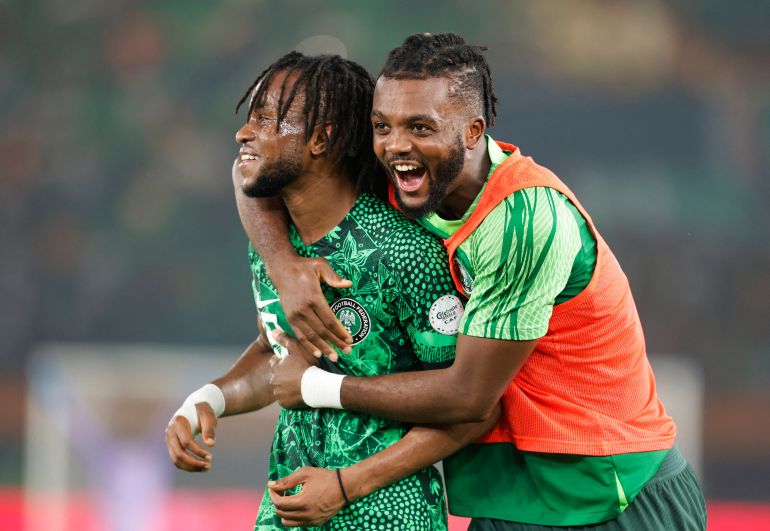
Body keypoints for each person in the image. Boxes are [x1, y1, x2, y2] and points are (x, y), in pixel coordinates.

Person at [244, 34, 708, 530]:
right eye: (383, 126)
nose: (397, 145)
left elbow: (468, 397)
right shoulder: (405, 174)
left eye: (420, 127)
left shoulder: (523, 221)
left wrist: (316, 386)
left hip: (612, 487)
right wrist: (282, 265)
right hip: (510, 494)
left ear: (472, 130)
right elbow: (254, 167)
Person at [165, 50, 498, 530]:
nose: (243, 132)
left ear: (321, 138)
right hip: (289, 509)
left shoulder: (405, 254)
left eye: (265, 119)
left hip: (384, 515)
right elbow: (277, 353)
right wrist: (208, 399)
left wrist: (346, 484)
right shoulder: (273, 243)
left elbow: (470, 411)